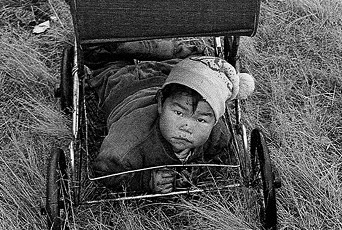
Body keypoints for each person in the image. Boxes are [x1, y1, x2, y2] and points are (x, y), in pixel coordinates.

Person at [92, 54, 255, 194]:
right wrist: (145, 180)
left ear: (215, 121)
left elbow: (223, 156)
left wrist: (195, 171)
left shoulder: (217, 134)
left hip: (169, 75)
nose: (187, 127)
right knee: (108, 61)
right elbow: (104, 171)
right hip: (125, 87)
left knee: (174, 59)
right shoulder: (129, 142)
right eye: (179, 113)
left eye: (201, 120)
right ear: (161, 104)